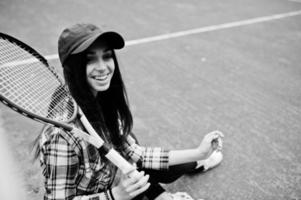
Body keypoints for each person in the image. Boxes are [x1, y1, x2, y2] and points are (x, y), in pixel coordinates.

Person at [34, 23, 224, 200]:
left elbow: (138, 155)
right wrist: (115, 195)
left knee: (153, 160)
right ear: (72, 68)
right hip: (106, 193)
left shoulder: (103, 98)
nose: (103, 67)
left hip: (115, 176)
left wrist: (199, 153)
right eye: (90, 59)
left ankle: (198, 164)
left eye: (107, 56)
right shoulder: (60, 135)